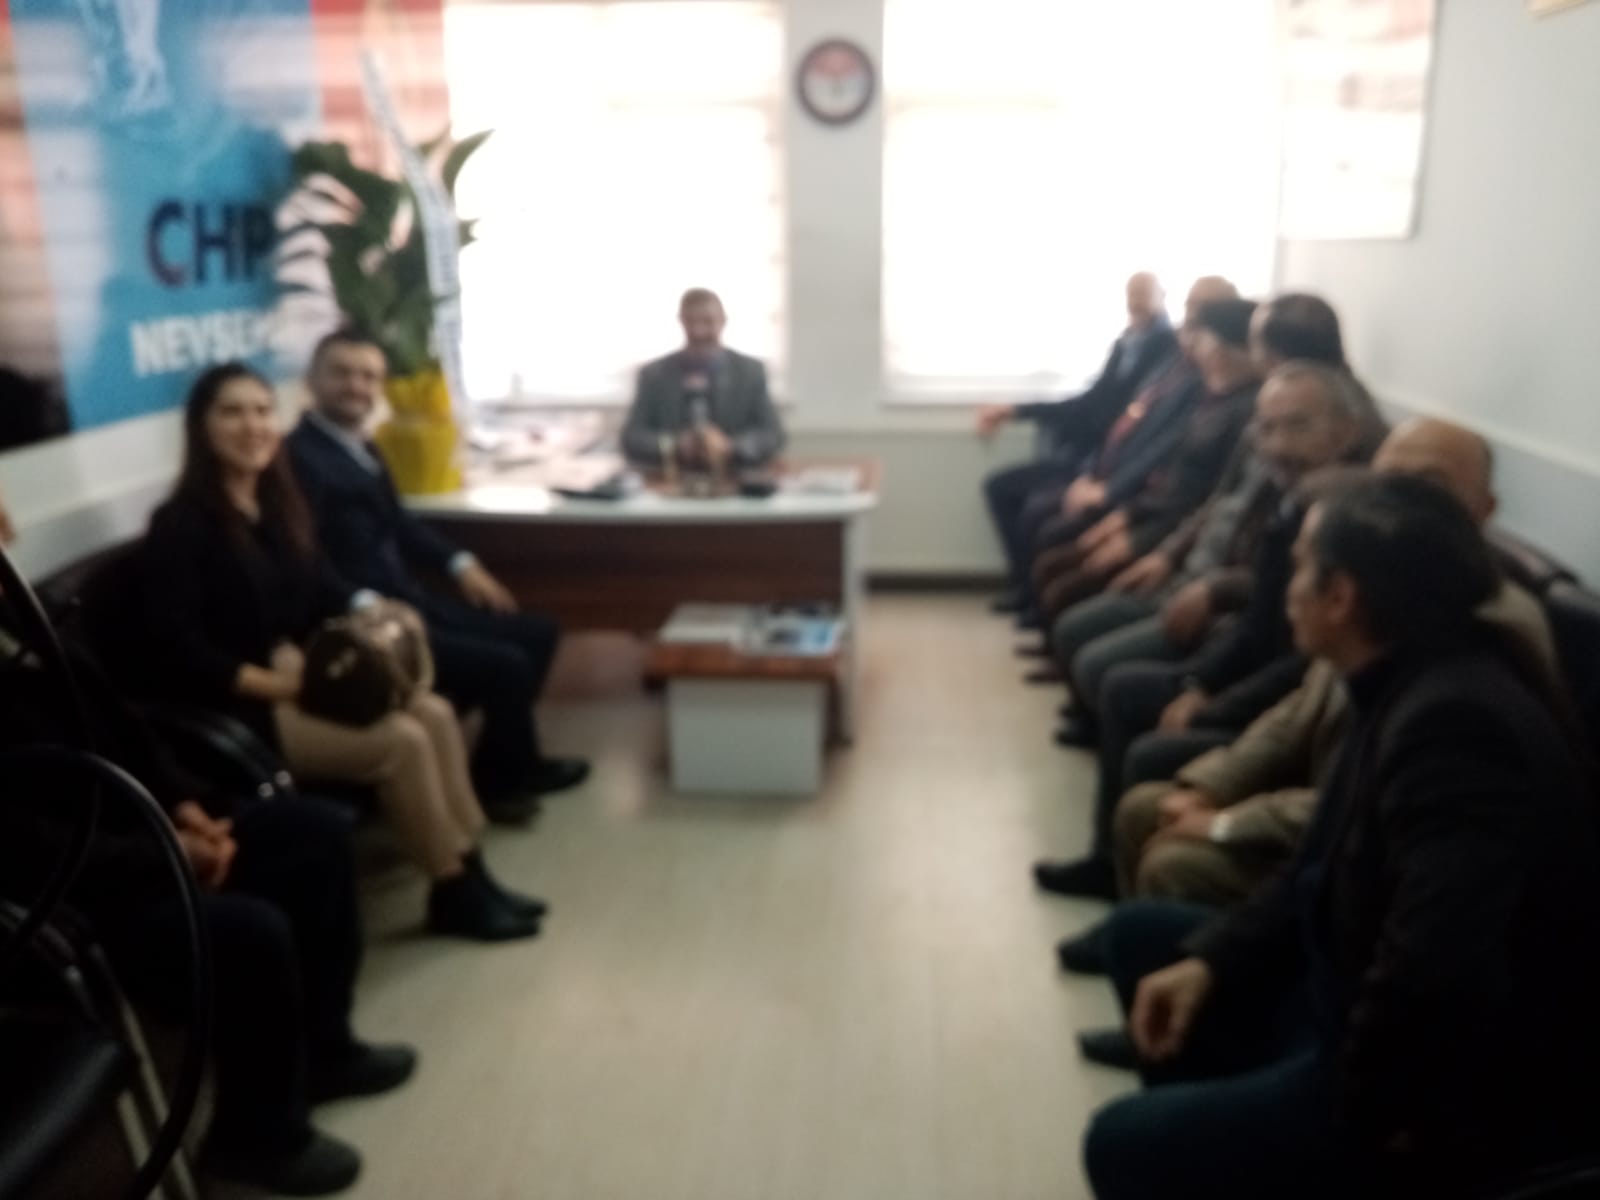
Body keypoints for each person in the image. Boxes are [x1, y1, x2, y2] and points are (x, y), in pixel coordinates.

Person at [1081, 473, 1600, 1199]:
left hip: (1428, 1087)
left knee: (1120, 1143)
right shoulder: (1403, 674)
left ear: (1341, 596)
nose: (1285, 588)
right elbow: (1314, 871)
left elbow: (1435, 972)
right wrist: (1213, 961)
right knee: (1141, 938)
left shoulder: (1455, 727)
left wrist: (1357, 1115)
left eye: (1299, 567)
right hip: (1342, 982)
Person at [1060, 418, 1551, 1000]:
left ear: (1485, 508)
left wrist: (1225, 824)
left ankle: (1203, 1008)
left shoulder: (1467, 643)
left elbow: (1373, 841)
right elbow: (1298, 711)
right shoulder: (1381, 588)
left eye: (1429, 483)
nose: (1400, 499)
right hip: (1323, 826)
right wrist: (1212, 786)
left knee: (1175, 861)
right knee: (1149, 807)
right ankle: (1159, 982)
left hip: (1360, 876)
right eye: (1389, 480)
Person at [139, 363, 542, 942]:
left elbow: (320, 584)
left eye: (261, 411)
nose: (251, 426)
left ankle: (470, 863)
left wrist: (377, 609)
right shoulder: (180, 525)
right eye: (231, 412)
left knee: (432, 711)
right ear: (202, 428)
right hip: (244, 703)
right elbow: (177, 651)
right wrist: (283, 686)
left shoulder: (275, 506)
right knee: (402, 742)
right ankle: (452, 886)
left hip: (302, 672)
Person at [0, 632, 412, 1196]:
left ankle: (326, 1051)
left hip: (147, 832)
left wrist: (185, 804)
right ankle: (256, 1139)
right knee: (249, 934)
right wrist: (166, 852)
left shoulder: (27, 627)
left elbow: (127, 731)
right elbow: (22, 846)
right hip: (75, 899)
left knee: (314, 838)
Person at [1035, 362, 1369, 900]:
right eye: (1268, 428)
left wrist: (1204, 690)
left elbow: (1295, 661)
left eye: (1298, 426)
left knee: (1135, 717)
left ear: (1346, 431)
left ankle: (1124, 877)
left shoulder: (1342, 520)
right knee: (1108, 665)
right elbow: (1253, 601)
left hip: (1262, 673)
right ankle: (1116, 866)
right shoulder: (1288, 491)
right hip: (1243, 648)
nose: (1278, 445)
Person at [1049, 292, 1387, 741]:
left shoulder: (1336, 456)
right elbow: (1217, 498)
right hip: (1200, 569)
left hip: (1235, 604)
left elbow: (1276, 590)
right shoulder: (1268, 411)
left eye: (1255, 343)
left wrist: (1213, 594)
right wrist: (1167, 555)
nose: (1277, 442)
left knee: (1105, 667)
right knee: (1080, 622)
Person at [287, 328, 589, 817]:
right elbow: (301, 557)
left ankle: (504, 765)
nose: (356, 386)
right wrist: (362, 602)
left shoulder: (361, 447)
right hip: (364, 623)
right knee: (506, 665)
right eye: (341, 373)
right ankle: (500, 785)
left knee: (539, 632)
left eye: (368, 376)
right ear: (312, 380)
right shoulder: (297, 458)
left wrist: (461, 562)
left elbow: (399, 523)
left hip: (406, 600)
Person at [1025, 294, 1259, 640]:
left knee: (1066, 584)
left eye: (1199, 332)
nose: (1189, 339)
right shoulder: (1202, 388)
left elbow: (1201, 498)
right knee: (1054, 558)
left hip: (1169, 526)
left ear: (1224, 346)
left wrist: (1137, 533)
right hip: (1149, 507)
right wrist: (1123, 511)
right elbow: (1144, 447)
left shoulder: (1241, 408)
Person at [977, 272, 1179, 614]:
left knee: (1036, 510)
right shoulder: (1127, 343)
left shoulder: (1165, 351)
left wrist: (1105, 484)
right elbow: (1090, 404)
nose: (1136, 305)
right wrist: (1016, 410)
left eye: (1143, 297)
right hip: (1088, 460)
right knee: (1001, 488)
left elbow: (1140, 432)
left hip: (1110, 472)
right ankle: (1025, 591)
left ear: (1162, 298)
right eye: (1131, 297)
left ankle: (1034, 600)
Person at [620, 287, 786, 471]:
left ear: (722, 320)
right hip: (669, 478)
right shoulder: (653, 374)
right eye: (691, 322)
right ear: (681, 321)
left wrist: (730, 446)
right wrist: (674, 444)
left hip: (734, 477)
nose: (698, 331)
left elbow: (772, 435)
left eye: (707, 321)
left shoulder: (750, 372)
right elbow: (632, 438)